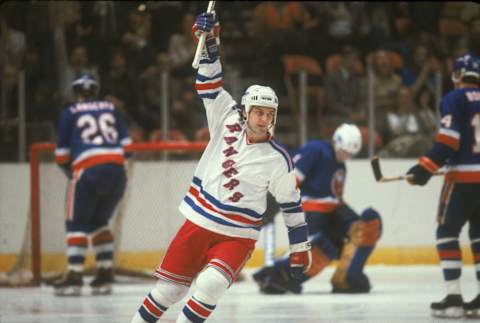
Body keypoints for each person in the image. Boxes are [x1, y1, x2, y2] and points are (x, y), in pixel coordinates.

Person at [130, 11, 311, 323]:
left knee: (211, 285)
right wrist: (210, 40)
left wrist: (300, 247)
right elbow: (209, 83)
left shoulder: (278, 158)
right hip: (199, 222)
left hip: (237, 235)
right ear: (245, 111)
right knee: (167, 292)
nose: (264, 119)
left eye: (270, 114)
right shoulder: (225, 117)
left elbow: (291, 204)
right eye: (258, 112)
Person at [253, 123, 382, 294]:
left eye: (350, 154)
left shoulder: (340, 166)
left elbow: (335, 198)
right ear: (336, 142)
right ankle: (276, 275)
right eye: (344, 151)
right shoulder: (317, 149)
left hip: (332, 212)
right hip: (311, 210)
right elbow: (291, 177)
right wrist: (274, 202)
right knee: (323, 248)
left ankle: (350, 277)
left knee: (367, 226)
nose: (346, 156)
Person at [406, 53, 480, 319]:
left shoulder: (453, 98)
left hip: (462, 182)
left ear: (457, 76)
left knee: (446, 232)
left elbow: (448, 142)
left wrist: (424, 168)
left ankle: (453, 298)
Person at [53, 74, 131, 296]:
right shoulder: (111, 108)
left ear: (76, 93)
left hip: (87, 169)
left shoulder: (70, 112)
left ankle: (74, 276)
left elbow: (61, 155)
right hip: (117, 172)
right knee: (99, 221)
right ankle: (105, 274)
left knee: (76, 222)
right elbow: (128, 147)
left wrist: (73, 172)